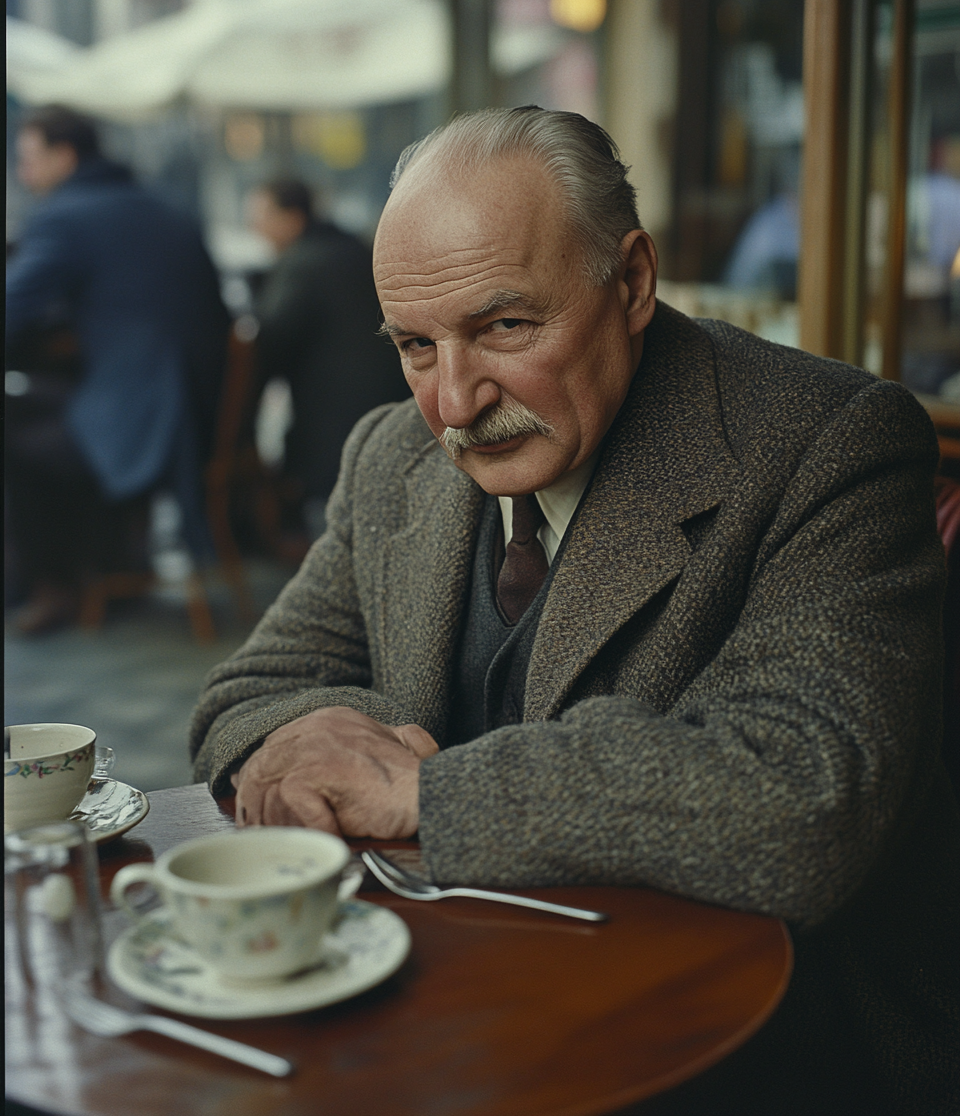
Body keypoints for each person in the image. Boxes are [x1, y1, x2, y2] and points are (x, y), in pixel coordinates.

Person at [190, 108, 958, 1114]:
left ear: (632, 281)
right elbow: (244, 696)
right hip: (447, 1018)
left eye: (504, 327)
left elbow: (807, 800)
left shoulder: (829, 442)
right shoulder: (391, 453)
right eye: (416, 345)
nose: (455, 403)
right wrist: (313, 735)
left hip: (749, 1050)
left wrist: (430, 795)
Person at [5, 105, 229, 633]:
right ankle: (113, 563)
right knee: (47, 405)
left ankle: (53, 586)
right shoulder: (165, 206)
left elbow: (11, 309)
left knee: (16, 432)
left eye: (29, 160)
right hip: (202, 417)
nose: (23, 174)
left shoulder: (67, 214)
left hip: (145, 423)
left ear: (65, 156)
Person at [246, 178, 407, 541]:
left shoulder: (303, 264)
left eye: (262, 217)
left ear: (292, 217)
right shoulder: (352, 248)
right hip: (391, 406)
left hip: (334, 424)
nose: (254, 228)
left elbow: (268, 345)